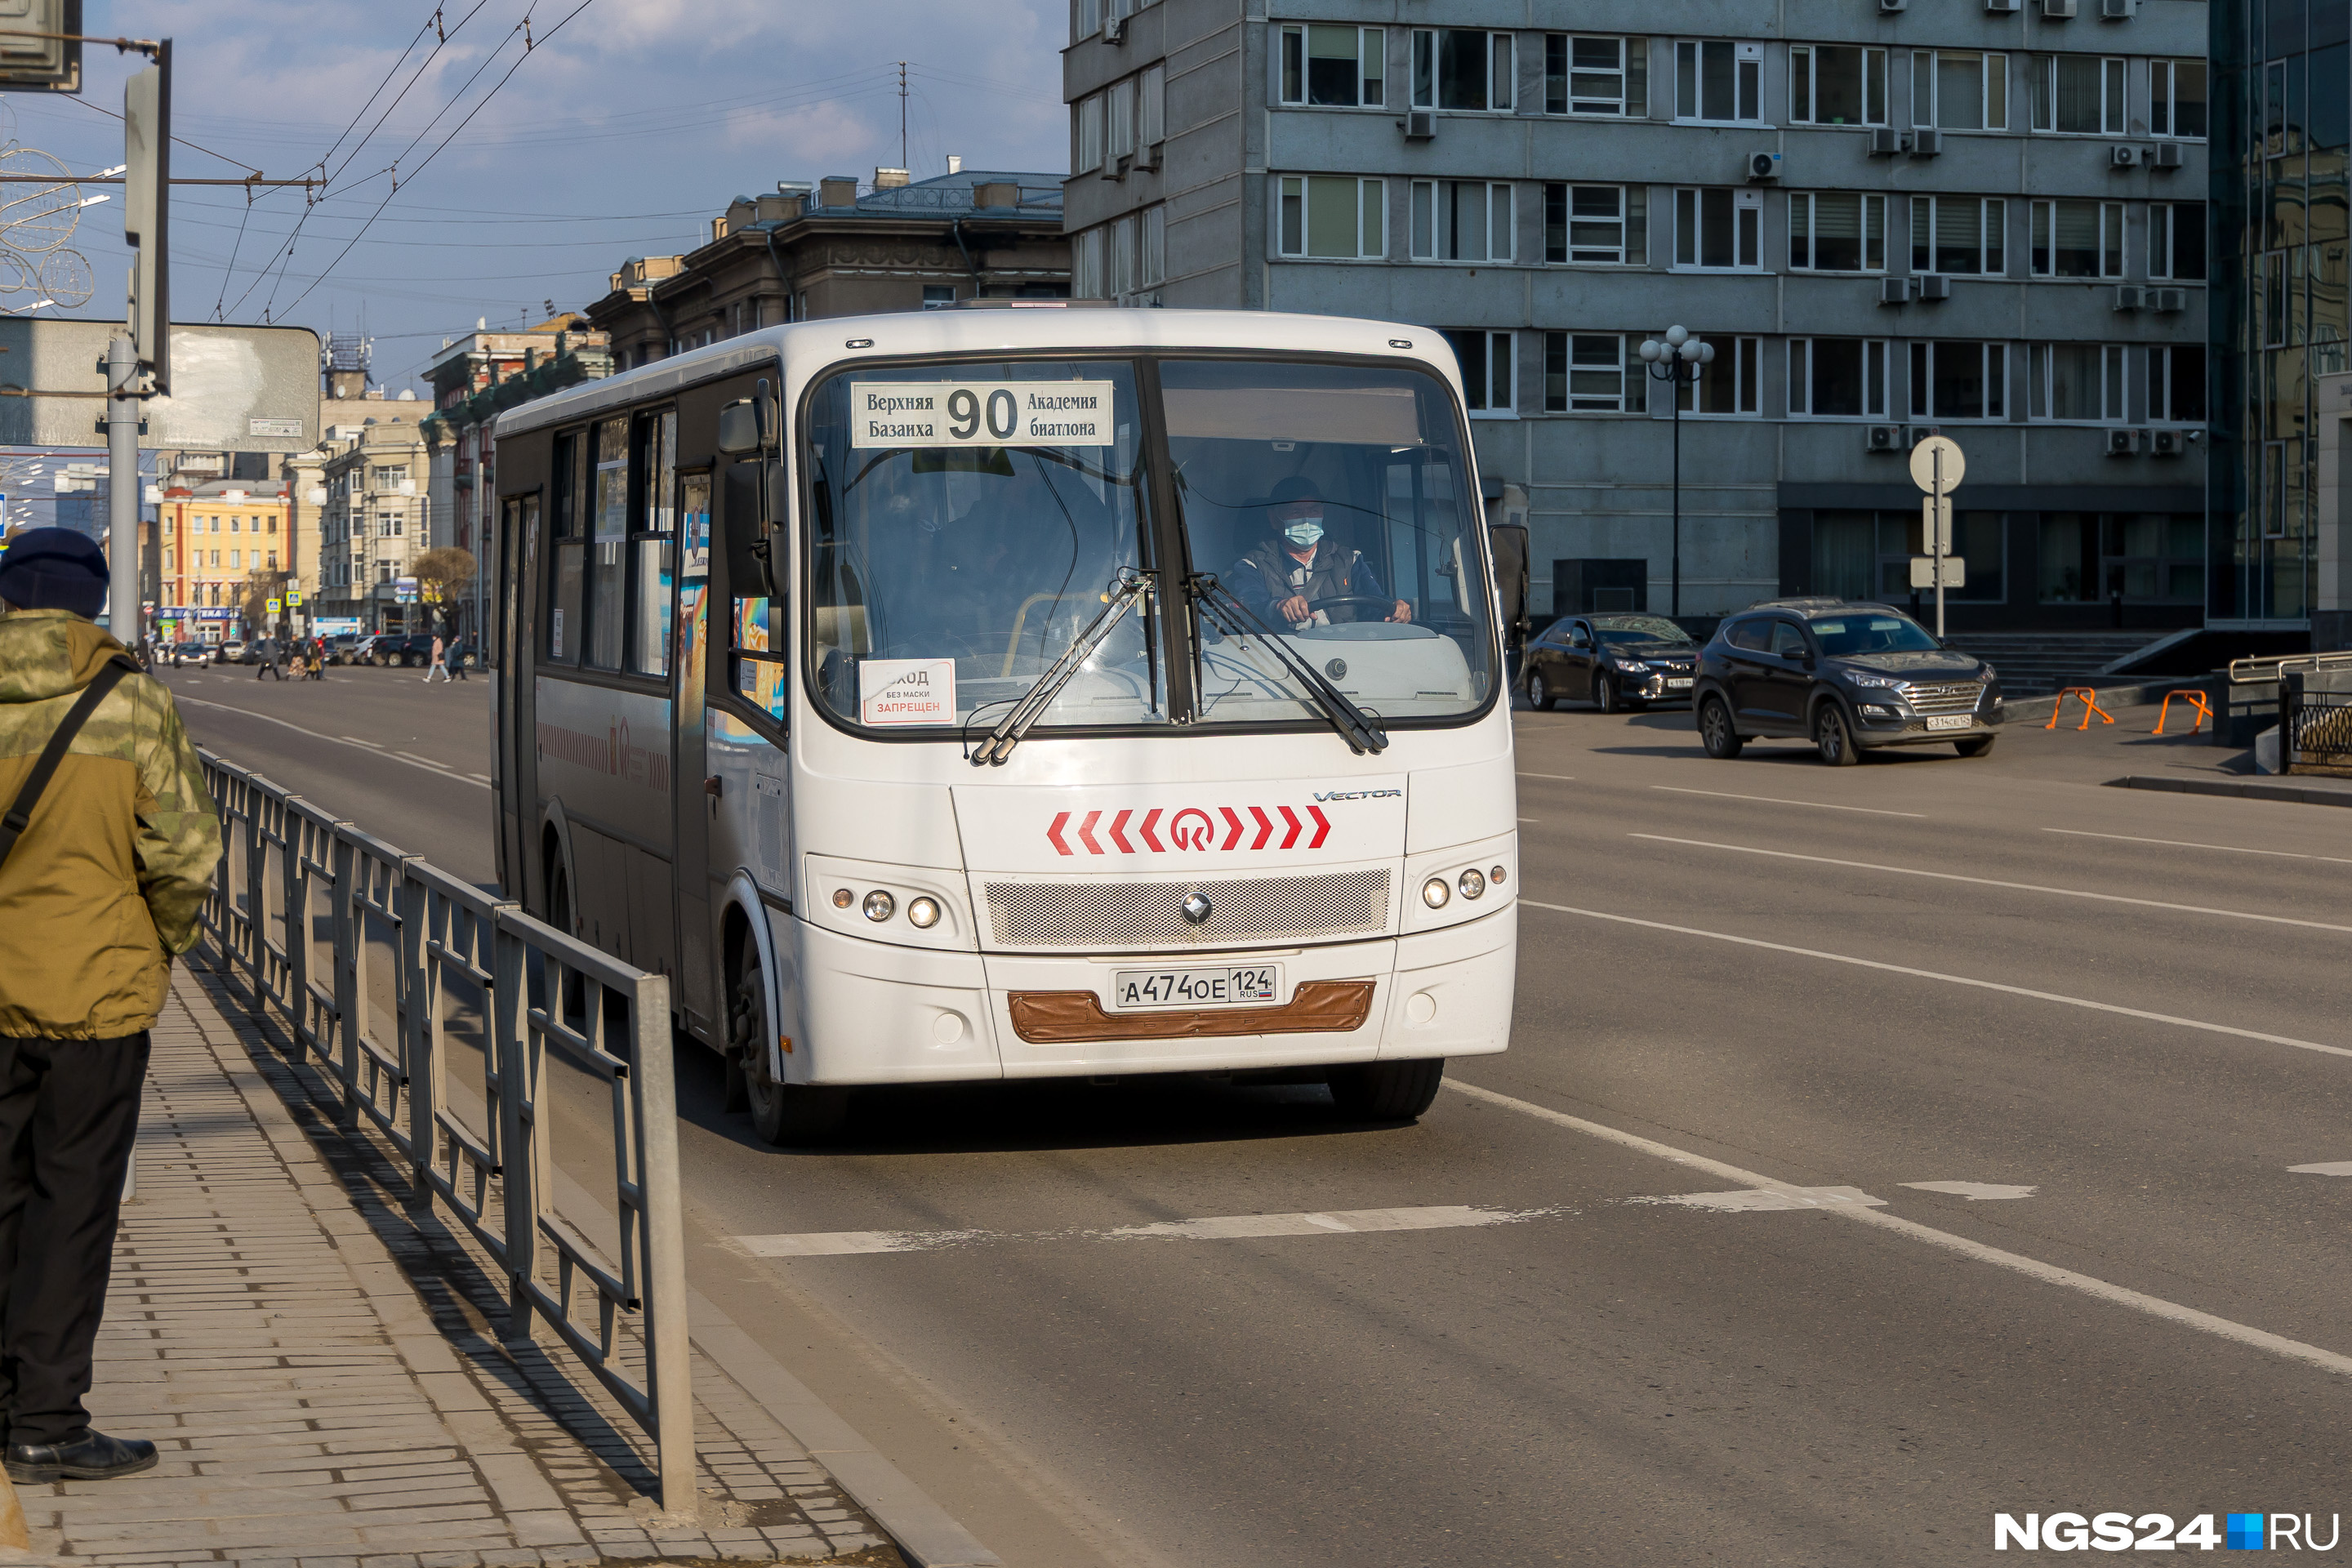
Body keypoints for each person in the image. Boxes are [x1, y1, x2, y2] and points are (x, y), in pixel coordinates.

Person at [0, 528, 220, 1485]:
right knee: (72, 1205)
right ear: (90, 604)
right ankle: (45, 1421)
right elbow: (183, 851)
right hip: (94, 995)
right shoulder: (131, 705)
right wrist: (160, 943)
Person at [1227, 477, 1410, 628]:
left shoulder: (1349, 560)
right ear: (1274, 519)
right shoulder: (1251, 566)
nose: (1306, 519)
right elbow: (1250, 609)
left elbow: (1374, 602)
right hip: (1284, 659)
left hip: (1347, 653)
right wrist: (1278, 606)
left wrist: (1394, 609)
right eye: (1296, 511)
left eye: (1313, 510)